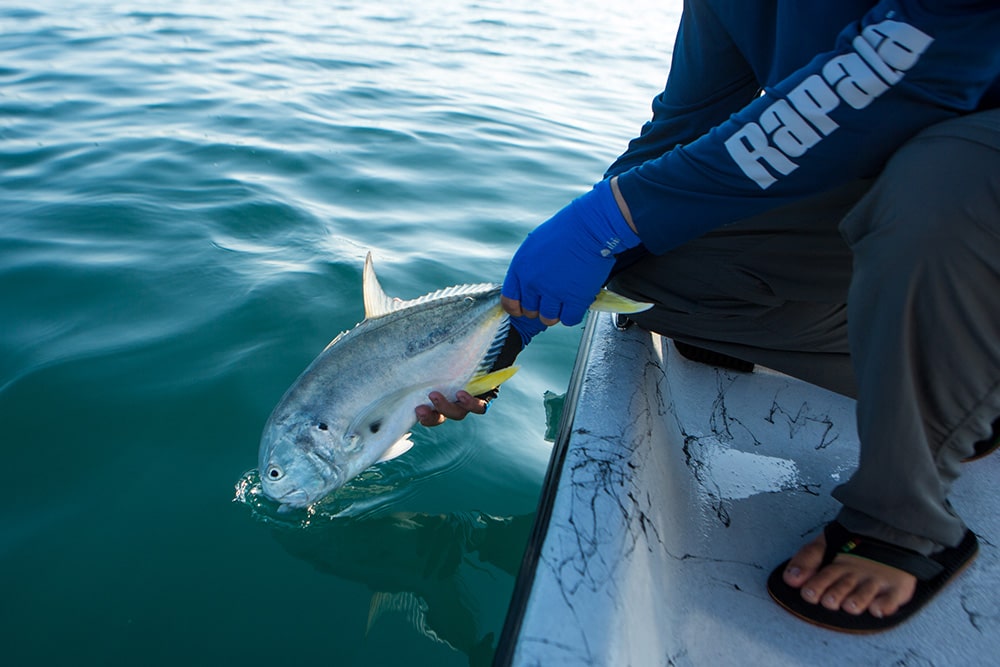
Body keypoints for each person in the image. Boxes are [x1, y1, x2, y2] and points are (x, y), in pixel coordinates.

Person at [417, 0, 999, 633]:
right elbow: (680, 128)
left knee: (943, 179)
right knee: (641, 279)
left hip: (964, 177)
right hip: (894, 186)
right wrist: (509, 334)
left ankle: (903, 517)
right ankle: (962, 385)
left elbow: (918, 66)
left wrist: (613, 217)